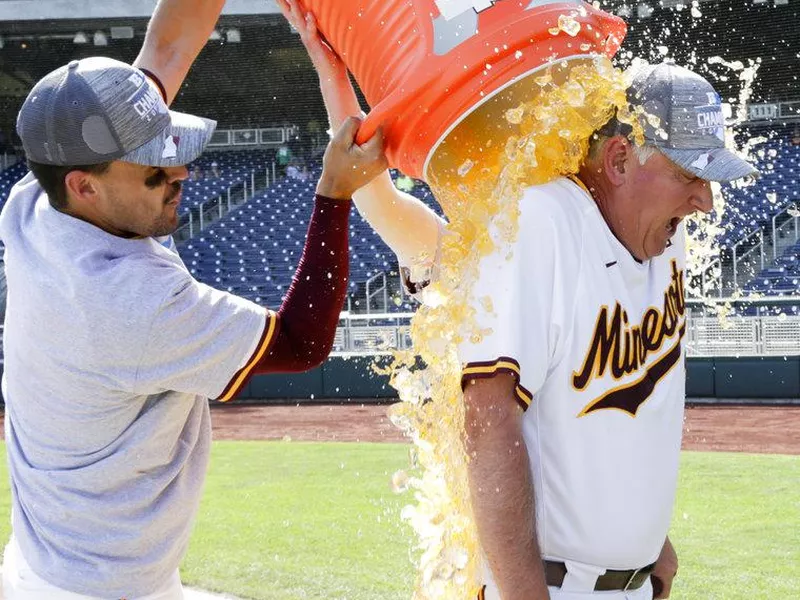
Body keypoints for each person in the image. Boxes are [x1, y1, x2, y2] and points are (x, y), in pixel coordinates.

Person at [276, 3, 758, 600]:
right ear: (617, 159)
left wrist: (644, 542)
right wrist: (334, 76)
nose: (707, 203)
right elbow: (383, 203)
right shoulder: (519, 231)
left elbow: (616, 408)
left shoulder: (656, 237)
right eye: (690, 176)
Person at [0, 54, 386, 599]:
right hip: (103, 588)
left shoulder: (33, 204)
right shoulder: (131, 302)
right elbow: (303, 342)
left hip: (48, 560)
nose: (181, 173)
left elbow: (157, 58)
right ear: (85, 186)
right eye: (153, 169)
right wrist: (334, 193)